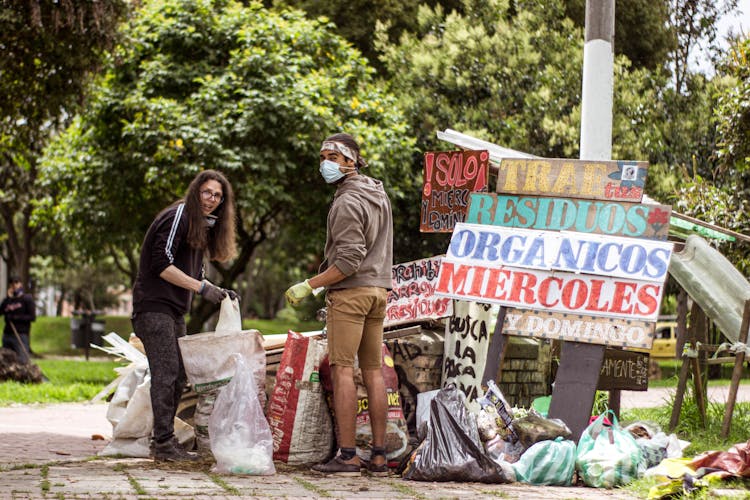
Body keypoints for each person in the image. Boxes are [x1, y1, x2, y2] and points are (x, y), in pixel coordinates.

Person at [285, 133, 393, 476]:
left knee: (342, 370)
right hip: (378, 291)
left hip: (351, 293)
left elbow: (348, 260)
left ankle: (348, 456)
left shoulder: (347, 202)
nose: (325, 163)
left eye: (333, 156)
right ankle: (379, 457)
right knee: (373, 372)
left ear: (351, 161)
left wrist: (309, 285)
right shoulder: (378, 193)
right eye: (322, 157)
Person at [132, 169, 238, 462]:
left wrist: (218, 291)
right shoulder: (179, 214)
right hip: (154, 307)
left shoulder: (200, 226)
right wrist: (202, 288)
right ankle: (164, 444)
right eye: (207, 192)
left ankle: (163, 442)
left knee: (178, 376)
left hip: (173, 309)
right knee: (166, 373)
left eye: (217, 196)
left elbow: (194, 271)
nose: (211, 199)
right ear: (196, 191)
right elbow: (161, 264)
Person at [1, 276, 36, 364]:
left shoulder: (26, 299)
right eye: (11, 283)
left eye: (16, 282)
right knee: (6, 361)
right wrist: (8, 298)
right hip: (7, 334)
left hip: (20, 334)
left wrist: (15, 317)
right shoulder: (8, 300)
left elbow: (32, 317)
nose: (14, 285)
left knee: (23, 361)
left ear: (20, 284)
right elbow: (1, 311)